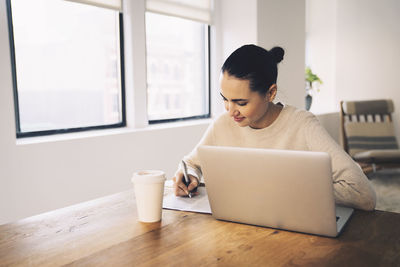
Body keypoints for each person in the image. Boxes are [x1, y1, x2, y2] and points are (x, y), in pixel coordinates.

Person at [172, 44, 376, 211]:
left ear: (270, 93)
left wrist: (290, 190)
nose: (230, 110)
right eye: (225, 99)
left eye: (241, 103)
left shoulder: (303, 125)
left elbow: (362, 193)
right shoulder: (223, 124)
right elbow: (192, 163)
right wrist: (190, 175)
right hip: (238, 227)